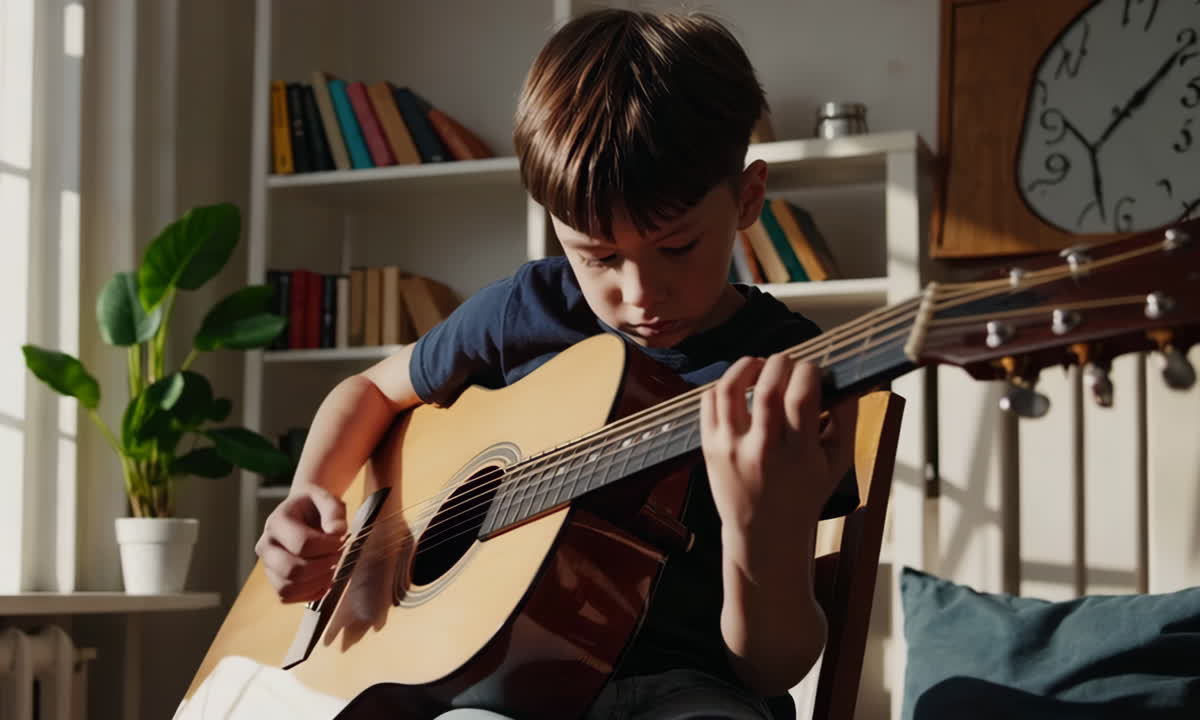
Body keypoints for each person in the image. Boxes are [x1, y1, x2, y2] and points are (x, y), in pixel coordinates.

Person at [254, 9, 859, 719]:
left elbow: (769, 671)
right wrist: (309, 493)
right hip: (493, 689)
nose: (639, 295)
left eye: (676, 247)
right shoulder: (530, 308)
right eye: (599, 256)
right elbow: (366, 391)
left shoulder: (793, 377)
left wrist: (761, 531)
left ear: (748, 199)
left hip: (691, 691)